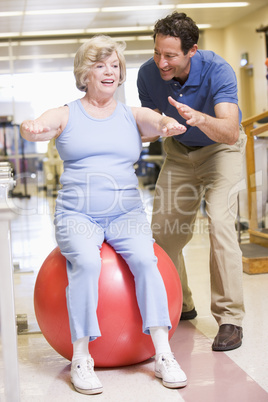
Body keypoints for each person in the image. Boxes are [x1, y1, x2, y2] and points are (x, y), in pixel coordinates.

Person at [20, 35, 188, 395]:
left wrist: (166, 126)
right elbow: (38, 126)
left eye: (115, 66)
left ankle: (162, 353)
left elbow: (155, 121)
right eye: (100, 65)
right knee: (88, 263)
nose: (109, 72)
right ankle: (81, 358)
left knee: (146, 260)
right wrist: (30, 127)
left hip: (125, 212)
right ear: (85, 73)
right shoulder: (67, 113)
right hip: (77, 213)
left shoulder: (131, 115)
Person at [137, 12, 247, 352]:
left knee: (220, 223)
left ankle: (230, 318)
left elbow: (230, 131)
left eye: (170, 55)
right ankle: (182, 303)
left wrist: (200, 118)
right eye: (157, 52)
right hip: (180, 154)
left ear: (191, 51)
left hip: (220, 152)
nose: (161, 62)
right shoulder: (147, 75)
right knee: (164, 232)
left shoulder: (219, 70)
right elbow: (147, 128)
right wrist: (154, 128)